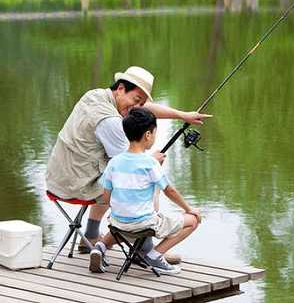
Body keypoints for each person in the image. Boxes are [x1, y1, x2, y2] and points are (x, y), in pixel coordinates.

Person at [46, 66, 210, 262]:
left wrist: (182, 115)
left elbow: (141, 109)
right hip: (77, 185)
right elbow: (131, 165)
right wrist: (151, 162)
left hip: (58, 178)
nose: (137, 106)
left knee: (112, 175)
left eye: (141, 102)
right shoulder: (110, 121)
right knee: (140, 181)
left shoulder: (96, 95)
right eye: (136, 100)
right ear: (121, 89)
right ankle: (145, 249)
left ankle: (90, 236)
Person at [89, 108, 200, 274]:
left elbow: (106, 196)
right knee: (193, 220)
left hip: (118, 222)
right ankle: (154, 256)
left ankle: (100, 246)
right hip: (143, 224)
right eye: (154, 133)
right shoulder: (150, 163)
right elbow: (169, 190)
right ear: (148, 135)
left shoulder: (114, 162)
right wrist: (189, 209)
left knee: (124, 221)